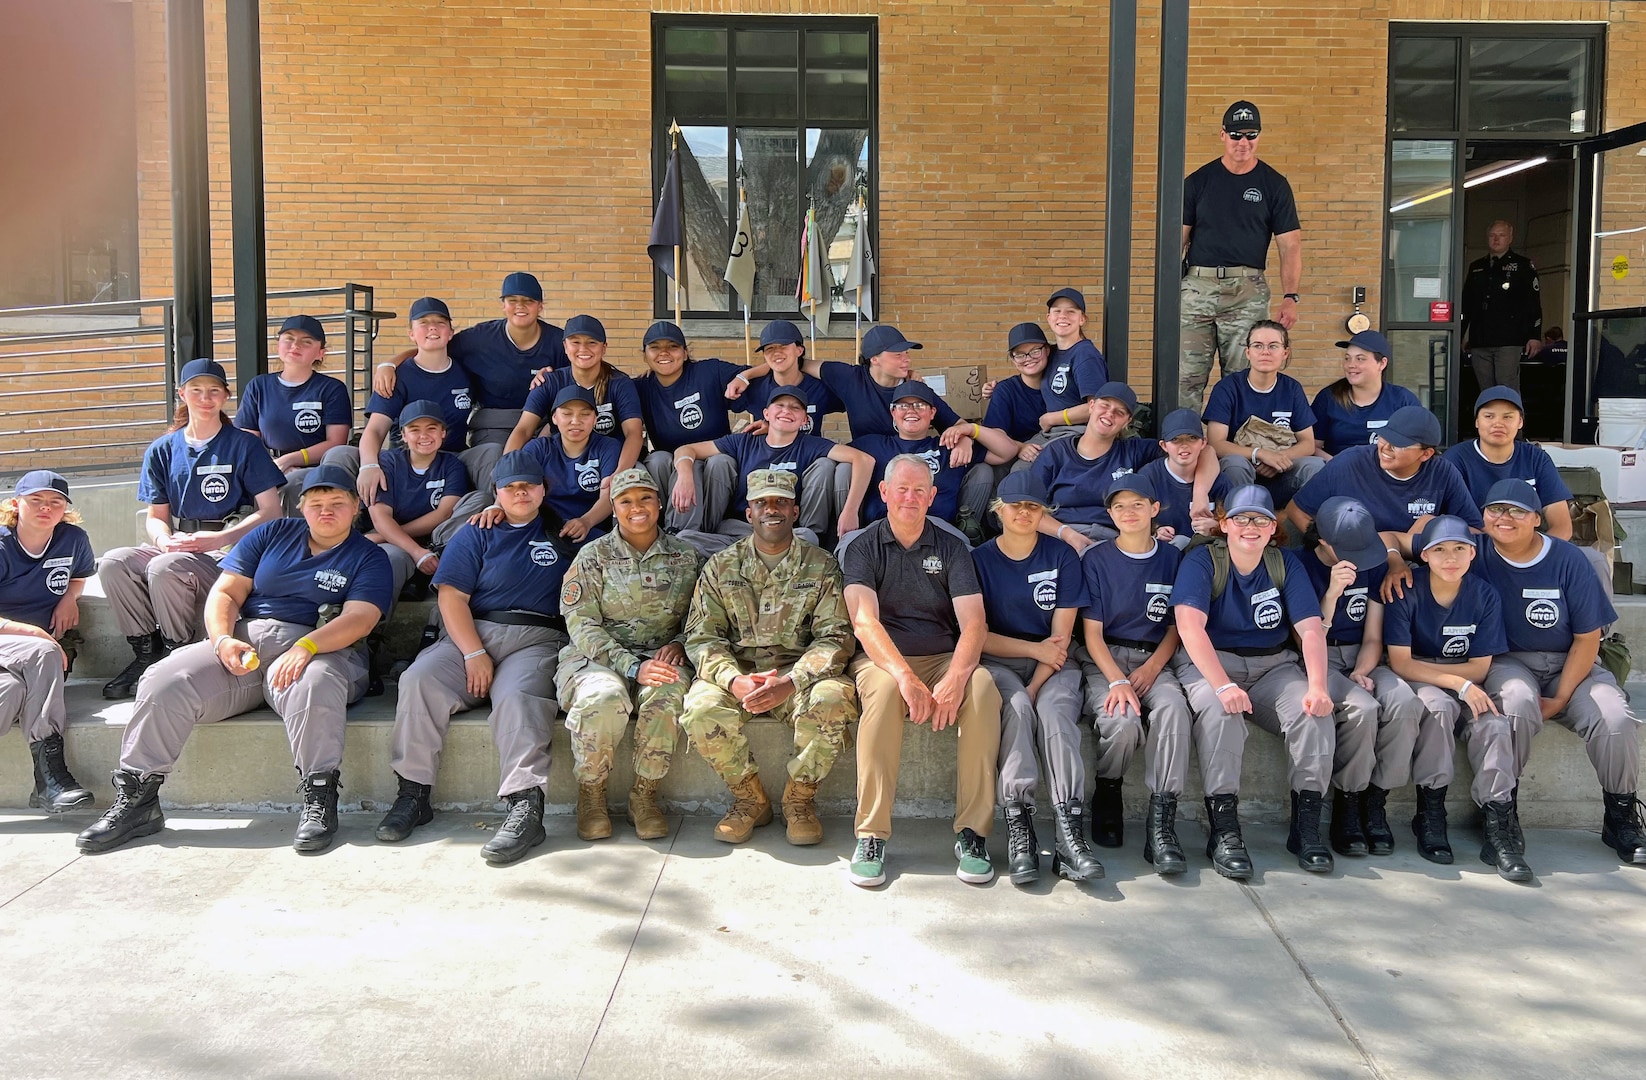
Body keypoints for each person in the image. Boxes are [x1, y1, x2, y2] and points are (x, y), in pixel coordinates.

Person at [77, 464, 393, 854]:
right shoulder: (272, 533)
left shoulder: (369, 557)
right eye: (316, 503)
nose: (326, 511)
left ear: (356, 506)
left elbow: (360, 618)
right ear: (301, 506)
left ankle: (319, 800)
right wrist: (223, 639)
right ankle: (139, 800)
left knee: (316, 683)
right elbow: (225, 594)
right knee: (164, 678)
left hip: (323, 649)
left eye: (337, 503)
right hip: (247, 644)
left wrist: (307, 647)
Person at [375, 451, 572, 864]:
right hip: (470, 632)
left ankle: (525, 807)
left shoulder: (566, 531)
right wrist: (474, 652)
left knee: (518, 698)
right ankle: (413, 793)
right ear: (495, 493)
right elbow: (451, 597)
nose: (520, 493)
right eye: (510, 487)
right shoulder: (475, 532)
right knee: (418, 679)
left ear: (543, 488)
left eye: (528, 485)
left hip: (535, 638)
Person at [842, 455, 1003, 888]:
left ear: (933, 497)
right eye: (902, 489)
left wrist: (955, 677)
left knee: (984, 688)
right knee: (881, 692)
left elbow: (974, 623)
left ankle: (973, 832)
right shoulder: (862, 547)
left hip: (942, 656)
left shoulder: (951, 547)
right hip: (884, 659)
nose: (910, 498)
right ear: (884, 493)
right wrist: (905, 678)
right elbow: (864, 623)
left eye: (919, 491)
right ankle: (871, 834)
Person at [1473, 480, 1643, 878]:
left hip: (1572, 662)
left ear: (1537, 519)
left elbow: (1587, 639)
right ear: (1483, 516)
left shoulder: (1569, 559)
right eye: (1495, 509)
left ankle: (1620, 816)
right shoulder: (1473, 553)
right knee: (1515, 701)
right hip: (1508, 660)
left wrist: (1562, 696)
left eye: (1517, 511)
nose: (1505, 518)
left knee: (1614, 718)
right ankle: (1501, 818)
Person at [679, 469, 858, 846]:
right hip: (739, 675)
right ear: (749, 513)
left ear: (795, 511)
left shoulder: (821, 565)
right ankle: (750, 798)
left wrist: (791, 681)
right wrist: (733, 679)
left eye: (780, 502)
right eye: (762, 502)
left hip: (798, 677)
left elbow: (836, 636)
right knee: (700, 708)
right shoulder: (721, 567)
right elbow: (701, 636)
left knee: (834, 698)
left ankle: (799, 800)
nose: (771, 510)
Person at [1172, 485, 1338, 876]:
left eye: (1260, 519)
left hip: (1272, 666)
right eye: (1242, 518)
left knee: (1313, 715)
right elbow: (1189, 627)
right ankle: (1224, 829)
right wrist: (1223, 685)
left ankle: (1307, 827)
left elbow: (1310, 629)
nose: (1251, 526)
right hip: (1212, 662)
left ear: (1272, 527)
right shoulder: (1202, 560)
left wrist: (1317, 685)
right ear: (1225, 523)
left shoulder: (1284, 563)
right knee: (1221, 716)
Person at [99, 358, 286, 699]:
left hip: (228, 548)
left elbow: (272, 511)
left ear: (226, 396)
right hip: (179, 541)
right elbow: (156, 515)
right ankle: (145, 652)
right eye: (196, 390)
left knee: (164, 568)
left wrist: (220, 537)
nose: (205, 398)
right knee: (113, 562)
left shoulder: (244, 444)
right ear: (182, 394)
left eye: (214, 390)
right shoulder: (162, 449)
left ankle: (178, 650)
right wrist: (163, 538)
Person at [555, 468, 703, 842]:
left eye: (645, 499)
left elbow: (706, 617)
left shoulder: (687, 557)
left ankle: (645, 796)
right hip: (597, 658)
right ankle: (591, 794)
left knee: (667, 694)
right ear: (613, 509)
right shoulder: (593, 557)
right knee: (603, 698)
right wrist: (632, 666)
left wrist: (682, 643)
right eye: (625, 501)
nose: (637, 508)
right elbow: (582, 625)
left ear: (660, 503)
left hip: (661, 658)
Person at [971, 471, 1103, 884]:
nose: (1024, 512)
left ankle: (1070, 836)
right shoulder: (978, 559)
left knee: (1057, 714)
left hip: (1055, 662)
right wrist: (1030, 656)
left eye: (1033, 506)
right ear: (999, 510)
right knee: (1015, 708)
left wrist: (1037, 680)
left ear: (1043, 512)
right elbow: (977, 634)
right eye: (1016, 505)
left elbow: (1061, 637)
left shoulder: (1060, 556)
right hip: (1000, 660)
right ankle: (1021, 828)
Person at [1077, 475, 1203, 876]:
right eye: (1119, 507)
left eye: (1137, 505)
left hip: (1155, 659)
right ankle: (1109, 789)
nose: (1128, 513)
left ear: (1155, 509)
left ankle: (1161, 820)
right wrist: (1116, 679)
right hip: (1106, 657)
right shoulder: (1096, 559)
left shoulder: (1173, 558)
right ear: (1110, 515)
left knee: (1173, 711)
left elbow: (1174, 626)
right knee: (1122, 720)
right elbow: (1091, 634)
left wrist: (1152, 667)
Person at [1382, 515, 1509, 866]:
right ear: (1424, 555)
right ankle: (1431, 812)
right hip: (1423, 677)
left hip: (1463, 675)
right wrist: (1459, 683)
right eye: (1439, 550)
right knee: (1439, 708)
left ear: (1472, 553)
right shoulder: (1405, 588)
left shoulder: (1484, 594)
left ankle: (1499, 821)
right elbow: (1402, 664)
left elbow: (1481, 666)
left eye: (1459, 549)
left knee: (1495, 724)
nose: (1450, 558)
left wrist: (1467, 682)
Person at [1304, 497, 1420, 856]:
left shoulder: (1369, 564)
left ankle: (1376, 798)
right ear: (1324, 541)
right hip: (1317, 655)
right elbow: (1308, 639)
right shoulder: (1299, 565)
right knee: (1363, 710)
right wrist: (1333, 594)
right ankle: (1348, 801)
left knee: (1404, 701)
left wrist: (1362, 670)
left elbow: (1373, 635)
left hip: (1362, 655)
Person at [1179, 100, 1303, 410]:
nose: (1243, 143)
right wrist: (1167, 291)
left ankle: (1239, 451)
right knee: (1186, 376)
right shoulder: (1198, 182)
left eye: (1251, 135)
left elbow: (1290, 245)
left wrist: (1291, 296)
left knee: (1245, 376)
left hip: (1247, 291)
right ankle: (1183, 446)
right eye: (1236, 135)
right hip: (1197, 288)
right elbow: (1175, 242)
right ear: (1222, 135)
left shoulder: (1274, 184)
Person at [1288, 405, 1481, 592]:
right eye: (1384, 437)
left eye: (1399, 443)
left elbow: (1474, 530)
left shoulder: (1443, 472)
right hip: (1352, 566)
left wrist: (1433, 528)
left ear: (1426, 454)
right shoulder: (1349, 462)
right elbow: (1297, 510)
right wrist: (1335, 552)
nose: (1386, 447)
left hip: (1411, 566)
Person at [326, 297, 493, 504]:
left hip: (452, 459)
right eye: (423, 322)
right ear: (411, 333)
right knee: (341, 454)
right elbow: (376, 429)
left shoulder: (466, 372)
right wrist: (369, 465)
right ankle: (346, 527)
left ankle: (492, 522)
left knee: (491, 452)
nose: (432, 327)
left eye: (440, 322)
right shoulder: (395, 377)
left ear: (450, 333)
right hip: (403, 461)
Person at [373, 272, 565, 449]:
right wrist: (389, 364)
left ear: (540, 305)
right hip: (494, 426)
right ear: (503, 305)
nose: (520, 306)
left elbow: (581, 373)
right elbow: (432, 347)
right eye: (512, 300)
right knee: (498, 461)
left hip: (544, 421)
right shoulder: (479, 339)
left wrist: (553, 379)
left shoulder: (559, 342)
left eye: (528, 301)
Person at [730, 324, 977, 460]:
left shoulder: (915, 390)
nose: (906, 360)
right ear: (874, 359)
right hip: (870, 459)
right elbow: (791, 361)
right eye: (898, 354)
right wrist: (746, 375)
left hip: (915, 461)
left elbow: (957, 422)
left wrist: (964, 438)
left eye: (907, 354)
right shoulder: (849, 378)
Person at [673, 386, 872, 554]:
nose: (787, 411)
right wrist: (684, 476)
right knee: (685, 539)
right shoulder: (743, 442)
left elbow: (864, 459)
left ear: (804, 420)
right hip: (742, 528)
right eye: (780, 405)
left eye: (795, 408)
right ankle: (764, 553)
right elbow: (686, 450)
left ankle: (746, 554)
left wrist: (850, 510)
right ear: (766, 414)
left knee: (808, 539)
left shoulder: (812, 445)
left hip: (786, 530)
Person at [0, 471, 95, 813]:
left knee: (12, 692)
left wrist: (70, 595)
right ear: (15, 504)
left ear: (65, 509)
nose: (46, 508)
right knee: (42, 651)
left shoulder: (72, 539)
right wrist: (32, 632)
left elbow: (81, 573)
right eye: (36, 500)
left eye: (55, 502)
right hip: (16, 641)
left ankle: (45, 786)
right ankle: (51, 778)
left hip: (26, 661)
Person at [1033, 381, 1216, 551]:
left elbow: (1205, 451)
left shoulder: (1134, 451)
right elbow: (1027, 507)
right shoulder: (1057, 452)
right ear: (1091, 406)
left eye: (1120, 412)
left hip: (1116, 539)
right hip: (1063, 537)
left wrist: (1200, 495)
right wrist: (1067, 534)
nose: (1110, 414)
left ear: (1127, 421)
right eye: (1104, 405)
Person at [848, 381, 1014, 543]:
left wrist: (971, 430)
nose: (911, 410)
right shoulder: (871, 445)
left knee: (969, 557)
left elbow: (1006, 452)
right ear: (893, 412)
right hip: (881, 531)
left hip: (938, 533)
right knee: (846, 547)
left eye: (920, 405)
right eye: (903, 406)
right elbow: (832, 454)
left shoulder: (948, 446)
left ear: (933, 413)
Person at [632, 320, 747, 531]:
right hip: (670, 468)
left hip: (716, 458)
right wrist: (551, 376)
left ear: (685, 353)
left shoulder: (710, 371)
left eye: (672, 347)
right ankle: (669, 530)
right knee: (657, 459)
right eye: (655, 348)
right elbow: (602, 392)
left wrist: (745, 377)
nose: (664, 353)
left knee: (720, 462)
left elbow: (769, 379)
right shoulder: (639, 388)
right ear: (645, 356)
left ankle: (702, 532)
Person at [234, 314, 352, 511]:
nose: (295, 346)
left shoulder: (331, 389)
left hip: (316, 469)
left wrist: (290, 460)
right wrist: (272, 465)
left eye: (306, 342)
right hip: (267, 465)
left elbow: (336, 442)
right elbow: (247, 438)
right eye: (289, 338)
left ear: (320, 353)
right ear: (278, 345)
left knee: (294, 483)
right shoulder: (259, 386)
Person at [1202, 319, 1325, 506]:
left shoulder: (1292, 389)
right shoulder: (1227, 388)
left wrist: (1277, 459)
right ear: (1248, 352)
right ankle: (1239, 523)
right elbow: (1216, 444)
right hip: (1242, 469)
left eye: (1273, 346)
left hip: (1282, 470)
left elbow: (1307, 443)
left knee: (1314, 466)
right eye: (1258, 345)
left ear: (1285, 353)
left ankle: (1304, 530)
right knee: (1235, 463)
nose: (1265, 352)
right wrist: (1259, 454)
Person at [506, 315, 643, 476]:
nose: (583, 349)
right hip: (561, 466)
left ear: (604, 347)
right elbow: (523, 429)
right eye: (575, 342)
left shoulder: (620, 383)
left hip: (612, 462)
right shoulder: (550, 381)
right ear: (565, 346)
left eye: (592, 342)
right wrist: (506, 470)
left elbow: (634, 433)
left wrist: (619, 474)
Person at [363, 400, 467, 599]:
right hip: (395, 543)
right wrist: (416, 551)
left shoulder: (452, 465)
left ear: (443, 432)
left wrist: (382, 536)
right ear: (403, 435)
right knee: (392, 557)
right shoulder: (388, 462)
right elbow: (380, 517)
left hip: (431, 540)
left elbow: (444, 513)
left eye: (432, 428)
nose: (424, 436)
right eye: (414, 429)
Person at [1442, 386, 1574, 539]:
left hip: (1526, 548)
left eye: (1507, 417)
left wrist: (1540, 556)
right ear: (1477, 422)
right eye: (1489, 416)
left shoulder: (1536, 458)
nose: (1498, 423)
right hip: (1472, 549)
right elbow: (1449, 523)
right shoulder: (1455, 459)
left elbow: (1561, 525)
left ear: (1520, 422)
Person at [1309, 330, 1421, 458]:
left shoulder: (1402, 400)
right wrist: (1335, 465)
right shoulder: (1329, 398)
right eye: (1347, 358)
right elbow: (1312, 446)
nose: (1351, 365)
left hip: (1386, 472)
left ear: (1382, 363)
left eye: (1360, 359)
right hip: (1340, 472)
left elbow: (1417, 447)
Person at [1461, 221, 1542, 394]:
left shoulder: (1522, 265)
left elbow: (1532, 303)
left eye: (1502, 235)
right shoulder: (1477, 267)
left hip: (1508, 340)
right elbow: (1466, 305)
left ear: (1510, 238)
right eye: (1492, 235)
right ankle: (1488, 421)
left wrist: (1534, 336)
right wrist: (1458, 335)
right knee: (1485, 391)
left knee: (1506, 389)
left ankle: (1512, 421)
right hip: (1480, 340)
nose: (1496, 239)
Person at [1135, 408, 1226, 548]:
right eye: (1175, 439)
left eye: (1192, 438)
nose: (1184, 445)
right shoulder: (1149, 477)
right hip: (1166, 556)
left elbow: (1238, 522)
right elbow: (1134, 520)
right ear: (1164, 445)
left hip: (1206, 554)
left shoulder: (1218, 480)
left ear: (1203, 443)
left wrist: (1217, 527)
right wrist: (1154, 533)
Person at [737, 320, 843, 437]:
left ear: (799, 350)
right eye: (770, 348)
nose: (776, 353)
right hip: (768, 454)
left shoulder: (820, 388)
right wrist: (743, 376)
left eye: (783, 346)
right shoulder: (755, 389)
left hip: (810, 453)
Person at [1038, 288, 1110, 441]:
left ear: (1082, 319)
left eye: (1071, 311)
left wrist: (1051, 419)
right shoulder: (1051, 353)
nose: (1063, 316)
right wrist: (995, 388)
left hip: (1076, 433)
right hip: (1052, 433)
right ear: (1049, 317)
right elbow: (1028, 376)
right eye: (1057, 311)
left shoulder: (1085, 355)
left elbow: (1097, 407)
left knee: (1023, 466)